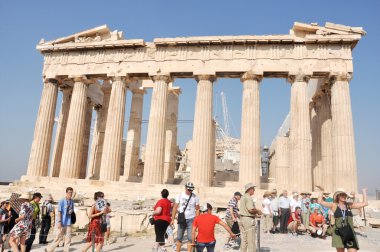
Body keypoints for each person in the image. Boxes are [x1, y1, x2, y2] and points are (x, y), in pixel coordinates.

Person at [317, 186, 368, 252]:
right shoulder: (334, 205)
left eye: (345, 195)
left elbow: (365, 203)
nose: (344, 196)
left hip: (349, 232)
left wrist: (364, 192)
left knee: (353, 250)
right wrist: (321, 190)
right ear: (338, 196)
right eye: (342, 195)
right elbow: (320, 201)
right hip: (338, 232)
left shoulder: (349, 205)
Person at [171, 182, 200, 252]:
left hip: (191, 219)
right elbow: (175, 207)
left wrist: (197, 220)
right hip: (182, 219)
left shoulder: (195, 197)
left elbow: (197, 209)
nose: (190, 191)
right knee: (179, 237)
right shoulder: (180, 195)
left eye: (191, 190)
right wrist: (172, 219)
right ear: (185, 188)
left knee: (190, 238)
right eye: (188, 190)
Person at [46, 187, 74, 252]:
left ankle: (66, 250)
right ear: (66, 193)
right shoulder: (62, 201)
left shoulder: (72, 201)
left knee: (68, 238)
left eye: (71, 192)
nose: (71, 194)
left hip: (69, 222)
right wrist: (59, 221)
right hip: (62, 221)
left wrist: (71, 210)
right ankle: (49, 249)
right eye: (69, 192)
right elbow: (59, 211)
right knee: (59, 237)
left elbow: (72, 209)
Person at [239, 183, 261, 252]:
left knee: (244, 240)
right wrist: (258, 211)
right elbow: (250, 210)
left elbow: (246, 210)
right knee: (251, 240)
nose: (254, 190)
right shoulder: (248, 197)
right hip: (248, 220)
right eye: (253, 189)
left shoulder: (243, 197)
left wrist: (255, 215)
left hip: (242, 219)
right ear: (250, 189)